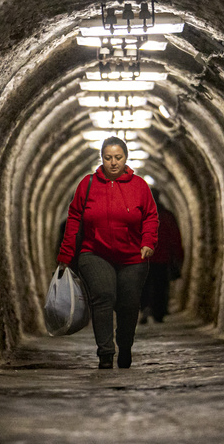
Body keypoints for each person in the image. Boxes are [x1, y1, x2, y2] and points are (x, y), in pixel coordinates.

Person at [57, 136, 157, 369]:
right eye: (108, 157)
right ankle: (105, 353)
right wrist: (65, 253)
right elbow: (73, 218)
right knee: (102, 297)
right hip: (95, 253)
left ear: (126, 158)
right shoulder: (88, 184)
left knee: (128, 304)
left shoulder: (139, 186)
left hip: (133, 257)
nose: (113, 162)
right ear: (101, 158)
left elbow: (151, 216)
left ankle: (125, 346)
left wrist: (148, 242)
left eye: (118, 157)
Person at [140, 192, 184, 323]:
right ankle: (158, 311)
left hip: (144, 259)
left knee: (144, 286)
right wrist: (178, 255)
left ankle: (145, 308)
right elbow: (175, 237)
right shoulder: (167, 215)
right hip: (161, 258)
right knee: (160, 286)